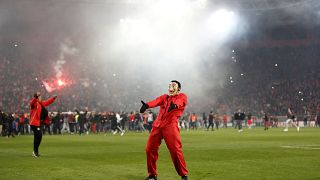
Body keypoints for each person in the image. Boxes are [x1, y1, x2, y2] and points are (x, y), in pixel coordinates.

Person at [140, 80, 188, 180]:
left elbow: (181, 102)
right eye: (169, 85)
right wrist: (147, 105)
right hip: (157, 125)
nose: (171, 87)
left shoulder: (182, 96)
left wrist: (175, 105)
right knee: (149, 149)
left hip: (170, 125)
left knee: (175, 150)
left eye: (173, 85)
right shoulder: (165, 97)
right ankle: (152, 175)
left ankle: (184, 175)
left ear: (178, 88)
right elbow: (156, 101)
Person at [30, 92, 57, 157]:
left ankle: (35, 151)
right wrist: (36, 97)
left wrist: (53, 98)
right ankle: (35, 151)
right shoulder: (34, 103)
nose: (41, 97)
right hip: (33, 122)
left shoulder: (40, 104)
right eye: (39, 96)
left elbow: (47, 102)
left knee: (38, 136)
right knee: (39, 135)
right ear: (37, 97)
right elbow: (32, 103)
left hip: (37, 123)